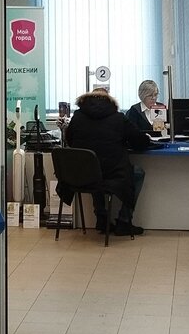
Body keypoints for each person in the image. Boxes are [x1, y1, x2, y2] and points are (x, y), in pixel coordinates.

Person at [64, 88, 153, 236]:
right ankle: (124, 221)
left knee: (93, 169)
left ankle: (101, 218)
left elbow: (70, 140)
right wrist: (147, 139)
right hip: (113, 174)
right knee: (137, 173)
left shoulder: (77, 117)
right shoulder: (118, 118)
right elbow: (138, 141)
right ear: (109, 100)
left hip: (83, 175)